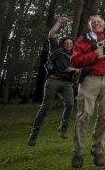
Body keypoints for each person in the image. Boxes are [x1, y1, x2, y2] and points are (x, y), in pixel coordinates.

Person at [70, 0, 105, 168]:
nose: (97, 24)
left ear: (104, 24)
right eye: (93, 23)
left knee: (104, 116)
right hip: (90, 80)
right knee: (84, 115)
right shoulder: (83, 40)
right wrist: (93, 55)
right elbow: (75, 60)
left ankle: (98, 149)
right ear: (90, 26)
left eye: (99, 21)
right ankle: (78, 152)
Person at [28, 16, 79, 146]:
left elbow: (80, 66)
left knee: (70, 104)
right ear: (63, 44)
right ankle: (34, 134)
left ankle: (63, 128)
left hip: (67, 83)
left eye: (70, 43)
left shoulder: (74, 56)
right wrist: (58, 22)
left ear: (73, 45)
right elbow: (51, 34)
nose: (68, 45)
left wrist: (75, 70)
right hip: (53, 81)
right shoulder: (56, 50)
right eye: (66, 43)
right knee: (45, 108)